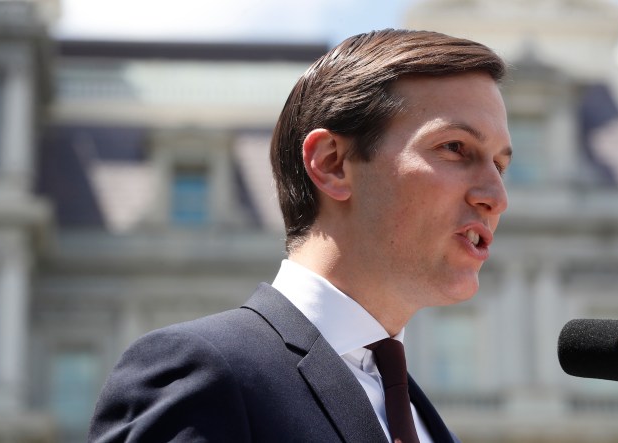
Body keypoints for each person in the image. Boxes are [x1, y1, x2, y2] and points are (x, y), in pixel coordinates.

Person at [88, 28, 512, 443]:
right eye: (455, 148)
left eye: (500, 165)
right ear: (331, 163)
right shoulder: (200, 373)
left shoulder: (429, 427)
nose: (497, 197)